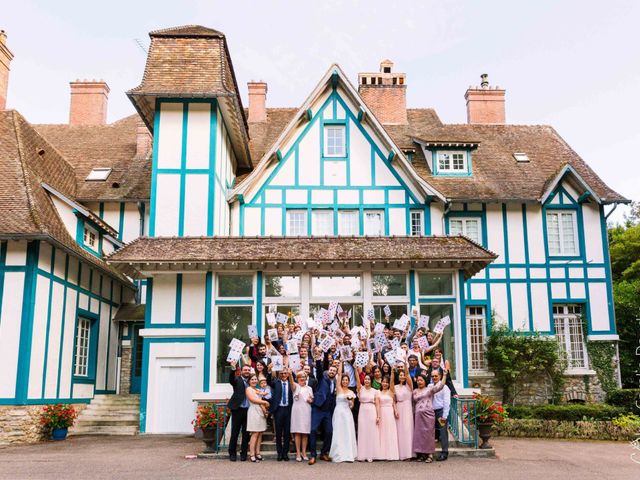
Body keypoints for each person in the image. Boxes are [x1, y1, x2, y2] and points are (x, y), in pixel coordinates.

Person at [413, 368, 448, 462]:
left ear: (425, 381)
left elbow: (440, 386)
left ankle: (429, 455)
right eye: (418, 380)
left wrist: (444, 375)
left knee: (428, 435)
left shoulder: (430, 389)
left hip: (428, 415)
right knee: (419, 435)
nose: (420, 382)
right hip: (418, 416)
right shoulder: (415, 391)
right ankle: (421, 454)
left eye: (422, 380)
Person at [308, 360, 338, 465]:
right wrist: (320, 358)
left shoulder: (335, 383)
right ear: (327, 371)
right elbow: (320, 369)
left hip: (327, 411)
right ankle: (312, 455)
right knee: (313, 430)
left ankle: (324, 453)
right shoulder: (322, 379)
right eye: (331, 370)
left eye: (334, 371)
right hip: (317, 409)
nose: (332, 372)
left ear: (336, 373)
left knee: (329, 432)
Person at [329, 361, 357, 463]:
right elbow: (339, 374)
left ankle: (348, 454)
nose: (345, 381)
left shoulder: (351, 392)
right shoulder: (339, 388)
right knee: (338, 432)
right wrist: (341, 362)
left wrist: (350, 402)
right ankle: (339, 453)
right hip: (338, 413)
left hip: (347, 413)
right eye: (344, 380)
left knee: (347, 432)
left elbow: (352, 406)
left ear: (349, 382)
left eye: (347, 380)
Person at [227, 362, 252, 462]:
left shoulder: (252, 381)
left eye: (248, 370)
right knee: (235, 432)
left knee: (246, 434)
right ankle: (232, 453)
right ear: (241, 371)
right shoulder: (237, 380)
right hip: (238, 410)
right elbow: (231, 379)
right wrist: (233, 368)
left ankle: (243, 453)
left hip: (248, 410)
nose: (247, 372)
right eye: (245, 370)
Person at [355, 369, 380, 462]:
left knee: (371, 431)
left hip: (372, 411)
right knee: (363, 431)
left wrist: (378, 416)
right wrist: (355, 369)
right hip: (362, 411)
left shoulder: (375, 391)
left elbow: (377, 404)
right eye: (365, 379)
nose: (367, 381)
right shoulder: (360, 389)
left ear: (371, 380)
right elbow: (357, 379)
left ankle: (372, 454)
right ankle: (362, 454)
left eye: (369, 379)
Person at [269, 369, 294, 461]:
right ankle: (279, 453)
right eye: (282, 373)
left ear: (288, 374)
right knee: (278, 433)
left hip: (288, 409)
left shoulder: (291, 383)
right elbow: (268, 381)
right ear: (279, 374)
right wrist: (269, 371)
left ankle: (285, 453)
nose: (283, 375)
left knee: (287, 433)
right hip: (278, 409)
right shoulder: (276, 383)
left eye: (285, 373)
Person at [290, 370, 314, 462]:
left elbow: (312, 399)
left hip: (306, 410)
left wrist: (310, 400)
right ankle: (298, 453)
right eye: (301, 377)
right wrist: (290, 374)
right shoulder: (296, 387)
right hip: (297, 411)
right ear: (298, 378)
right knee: (297, 432)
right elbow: (291, 383)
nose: (303, 379)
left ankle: (304, 452)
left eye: (304, 377)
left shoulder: (309, 388)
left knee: (305, 433)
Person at [246, 374, 270, 462]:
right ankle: (252, 454)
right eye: (252, 379)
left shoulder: (257, 389)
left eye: (255, 379)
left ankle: (258, 453)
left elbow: (265, 394)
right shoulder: (248, 389)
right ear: (249, 381)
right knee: (255, 433)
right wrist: (264, 402)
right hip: (254, 411)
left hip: (261, 412)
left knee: (260, 433)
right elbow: (253, 400)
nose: (254, 381)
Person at [376, 375, 399, 460]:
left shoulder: (391, 391)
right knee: (382, 432)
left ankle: (391, 453)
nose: (384, 384)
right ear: (381, 382)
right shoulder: (378, 392)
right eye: (383, 382)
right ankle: (382, 454)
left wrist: (396, 411)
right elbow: (377, 405)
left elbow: (394, 403)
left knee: (390, 431)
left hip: (389, 413)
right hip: (382, 412)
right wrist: (378, 416)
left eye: (386, 382)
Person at [394, 363, 414, 460]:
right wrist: (395, 409)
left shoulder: (409, 386)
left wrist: (406, 365)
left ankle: (408, 453)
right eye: (400, 375)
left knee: (407, 429)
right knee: (399, 430)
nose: (402, 376)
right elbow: (393, 400)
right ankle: (400, 453)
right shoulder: (395, 387)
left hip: (407, 407)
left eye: (403, 375)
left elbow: (408, 375)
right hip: (399, 407)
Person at [431, 369, 451, 462]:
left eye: (436, 376)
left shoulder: (445, 387)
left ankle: (444, 452)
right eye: (433, 376)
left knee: (443, 433)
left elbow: (447, 402)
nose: (434, 377)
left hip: (440, 412)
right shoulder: (430, 386)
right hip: (431, 412)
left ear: (439, 376)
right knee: (431, 433)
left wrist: (445, 415)